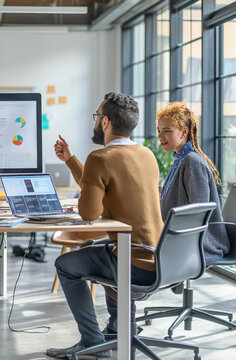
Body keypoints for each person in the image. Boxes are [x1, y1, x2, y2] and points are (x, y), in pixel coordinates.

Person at [46, 92, 163, 359]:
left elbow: (89, 212)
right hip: (159, 257)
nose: (96, 120)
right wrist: (71, 160)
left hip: (133, 262)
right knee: (97, 247)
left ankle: (91, 341)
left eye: (97, 115)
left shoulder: (101, 157)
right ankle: (115, 331)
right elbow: (101, 184)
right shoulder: (146, 154)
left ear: (106, 122)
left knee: (65, 265)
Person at [156, 102, 228, 260]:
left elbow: (198, 213)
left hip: (198, 245)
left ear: (184, 131)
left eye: (167, 131)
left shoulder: (192, 161)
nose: (160, 136)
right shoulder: (180, 160)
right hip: (179, 238)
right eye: (159, 131)